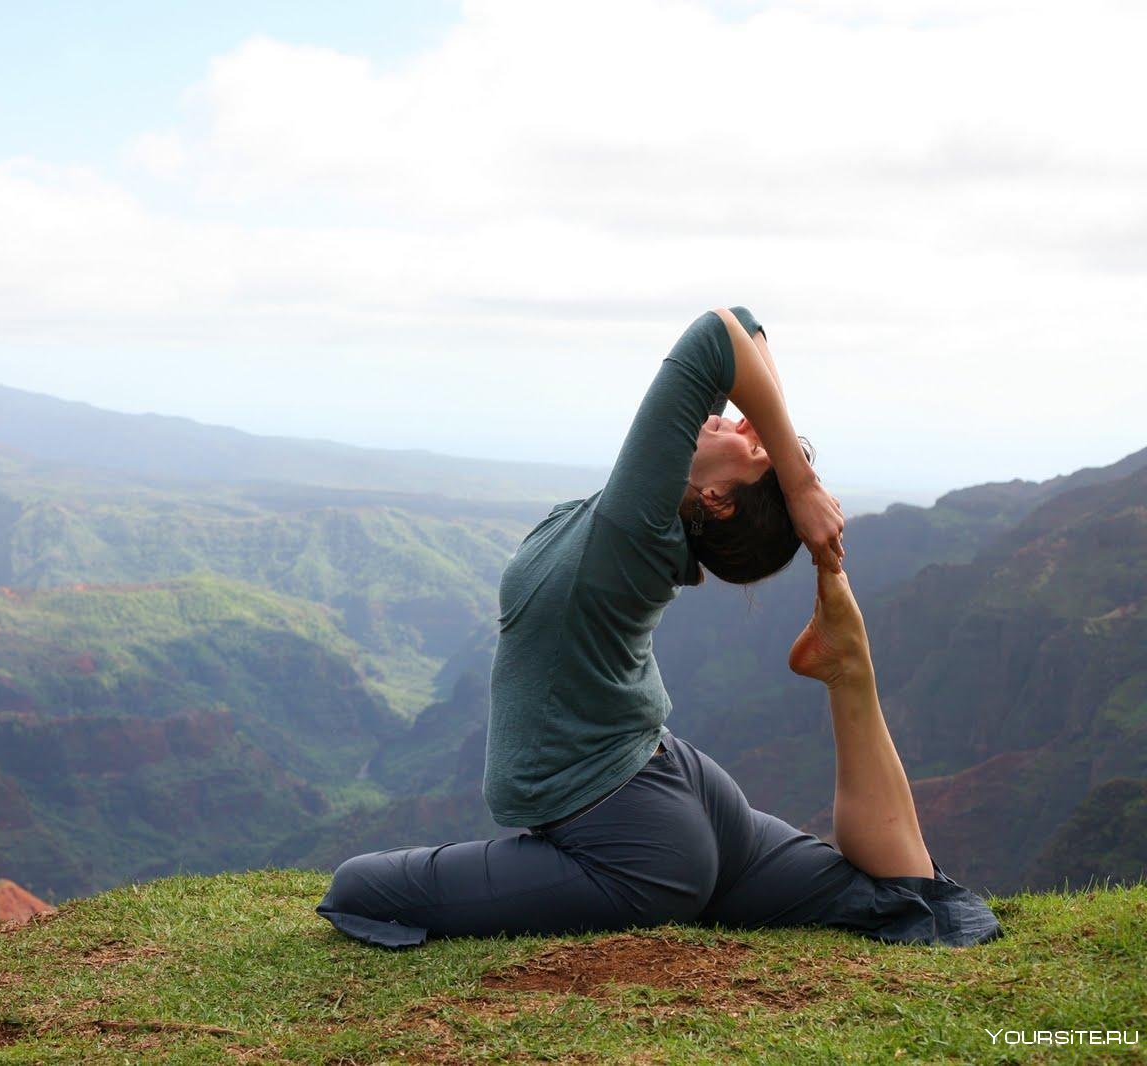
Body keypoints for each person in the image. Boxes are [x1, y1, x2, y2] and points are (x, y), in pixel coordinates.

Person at [315, 307, 1001, 949]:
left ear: (717, 501)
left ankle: (850, 670)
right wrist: (778, 458)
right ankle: (848, 670)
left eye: (752, 449)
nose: (739, 424)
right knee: (889, 899)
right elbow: (747, 323)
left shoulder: (636, 528)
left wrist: (796, 484)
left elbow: (716, 336)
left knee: (359, 887)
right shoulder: (650, 518)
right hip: (676, 787)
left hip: (638, 849)